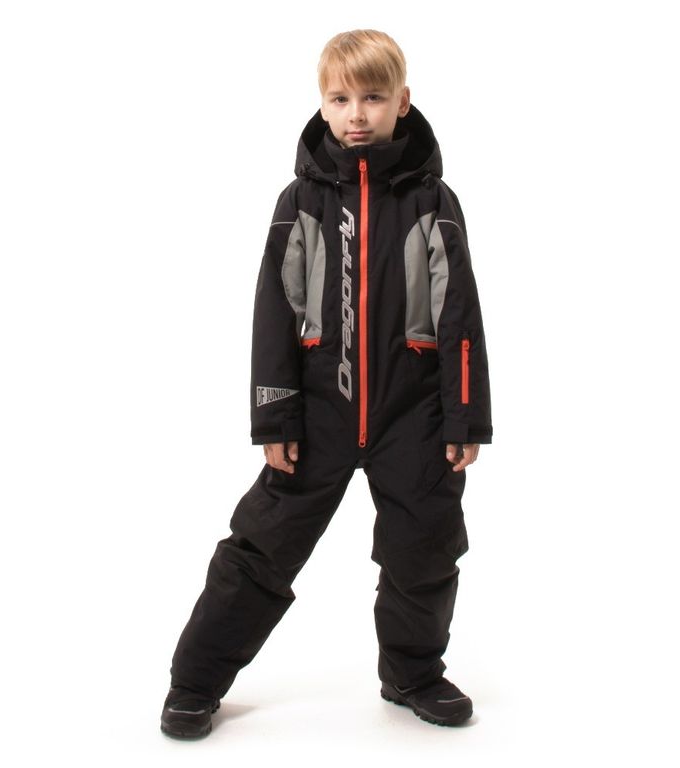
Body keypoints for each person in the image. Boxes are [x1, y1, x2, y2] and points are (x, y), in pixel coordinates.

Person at [160, 28, 493, 739]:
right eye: (341, 99)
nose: (357, 114)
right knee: (260, 548)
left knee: (426, 546)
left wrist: (464, 416)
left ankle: (412, 673)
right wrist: (275, 416)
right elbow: (274, 313)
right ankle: (194, 682)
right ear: (323, 104)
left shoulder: (433, 202)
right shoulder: (301, 201)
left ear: (403, 102)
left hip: (414, 414)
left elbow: (459, 315)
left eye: (373, 97)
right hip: (317, 414)